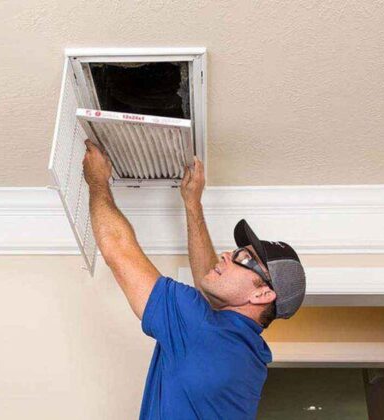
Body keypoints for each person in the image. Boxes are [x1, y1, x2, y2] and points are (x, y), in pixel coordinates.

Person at [82, 140, 307, 419]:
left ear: (262, 294)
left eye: (244, 258)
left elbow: (117, 249)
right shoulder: (250, 355)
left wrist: (97, 180)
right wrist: (192, 204)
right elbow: (210, 288)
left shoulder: (203, 331)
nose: (227, 255)